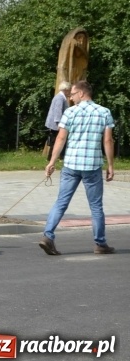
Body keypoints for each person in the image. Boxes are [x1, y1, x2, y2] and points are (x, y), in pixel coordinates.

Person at [40, 80, 115, 256]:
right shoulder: (104, 112)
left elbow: (60, 139)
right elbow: (107, 141)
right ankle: (100, 243)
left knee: (61, 202)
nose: (71, 98)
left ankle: (48, 236)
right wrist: (111, 165)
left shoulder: (70, 113)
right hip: (92, 165)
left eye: (73, 94)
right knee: (96, 206)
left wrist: (52, 162)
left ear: (82, 93)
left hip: (71, 166)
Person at [45, 81, 71, 161]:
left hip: (56, 124)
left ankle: (56, 157)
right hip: (56, 125)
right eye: (69, 90)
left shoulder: (61, 97)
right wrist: (59, 124)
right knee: (55, 142)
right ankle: (52, 158)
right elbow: (57, 112)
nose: (69, 92)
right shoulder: (60, 98)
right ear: (66, 89)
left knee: (55, 141)